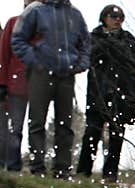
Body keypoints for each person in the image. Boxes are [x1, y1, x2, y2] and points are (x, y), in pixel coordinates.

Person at [11, 0, 90, 178]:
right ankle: (37, 167)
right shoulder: (35, 10)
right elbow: (17, 39)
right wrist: (35, 62)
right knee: (37, 121)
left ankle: (62, 169)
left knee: (65, 124)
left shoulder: (75, 14)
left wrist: (80, 64)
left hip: (67, 75)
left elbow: (85, 43)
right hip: (41, 73)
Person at [75, 5, 135, 182]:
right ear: (104, 17)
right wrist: (110, 45)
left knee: (117, 134)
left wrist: (113, 46)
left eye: (120, 17)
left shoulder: (128, 38)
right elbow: (89, 56)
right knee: (92, 132)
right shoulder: (94, 36)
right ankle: (83, 172)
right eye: (113, 16)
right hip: (97, 91)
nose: (117, 20)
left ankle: (110, 174)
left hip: (121, 93)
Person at [0, 1, 36, 171]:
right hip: (16, 85)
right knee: (14, 127)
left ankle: (36, 165)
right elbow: (4, 56)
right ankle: (11, 164)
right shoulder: (13, 23)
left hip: (39, 86)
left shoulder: (47, 30)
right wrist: (2, 83)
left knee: (34, 127)